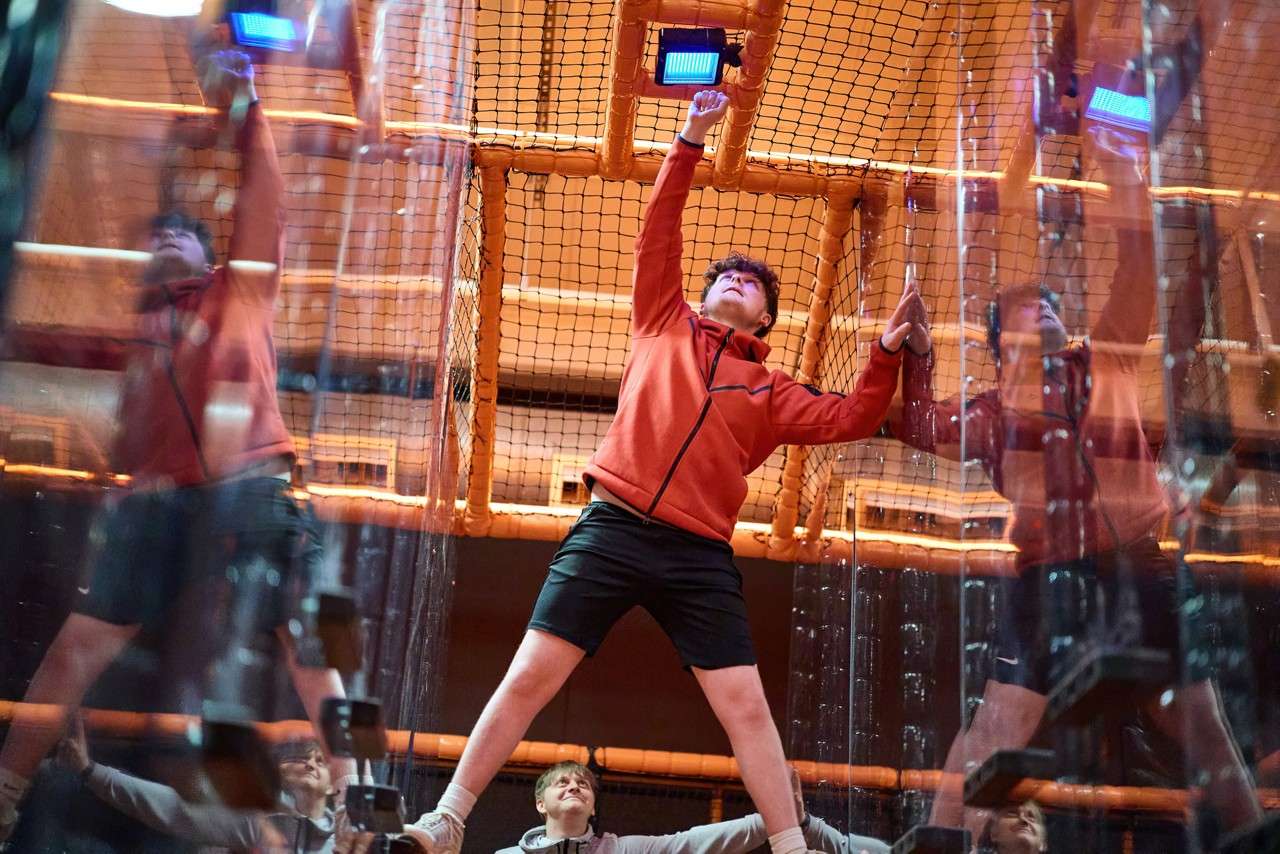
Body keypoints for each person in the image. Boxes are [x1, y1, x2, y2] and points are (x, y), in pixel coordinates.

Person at [400, 90, 923, 854]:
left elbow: (848, 417)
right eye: (728, 278)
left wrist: (883, 355)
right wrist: (691, 138)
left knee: (745, 706)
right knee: (529, 676)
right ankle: (448, 819)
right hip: (610, 526)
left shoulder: (773, 391)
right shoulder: (662, 319)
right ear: (703, 295)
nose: (738, 282)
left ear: (768, 321)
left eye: (754, 285)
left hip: (697, 555)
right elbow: (660, 230)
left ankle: (789, 847)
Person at [0, 49, 354, 845]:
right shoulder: (134, 333)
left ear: (206, 255)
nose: (163, 237)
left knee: (304, 639)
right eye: (153, 233)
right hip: (158, 504)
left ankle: (349, 792)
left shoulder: (239, 290)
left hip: (253, 484)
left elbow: (265, 196)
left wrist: (246, 103)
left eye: (178, 233)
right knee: (73, 650)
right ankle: (5, 791)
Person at [891, 124, 1263, 839]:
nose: (1052, 310)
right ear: (1003, 345)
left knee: (1205, 723)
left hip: (1142, 568)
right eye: (1033, 308)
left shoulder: (1108, 358)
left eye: (1054, 302)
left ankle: (1254, 838)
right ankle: (943, 841)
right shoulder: (995, 410)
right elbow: (916, 424)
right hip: (1048, 579)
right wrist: (917, 354)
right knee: (999, 724)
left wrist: (1123, 165)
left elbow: (1141, 256)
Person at [55, 714, 339, 852]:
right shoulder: (257, 822)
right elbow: (172, 808)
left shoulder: (347, 836)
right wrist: (89, 770)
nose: (311, 764)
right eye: (303, 757)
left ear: (332, 785)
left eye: (320, 761)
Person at [497, 761, 883, 854]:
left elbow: (698, 842)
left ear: (594, 806)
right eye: (562, 783)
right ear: (540, 804)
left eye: (582, 783)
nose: (573, 786)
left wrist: (779, 818)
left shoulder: (621, 849)